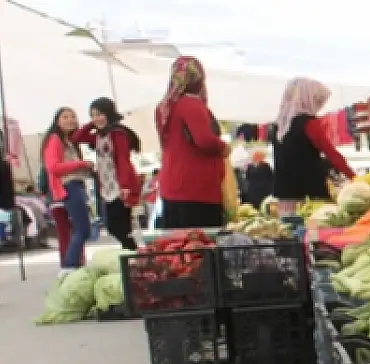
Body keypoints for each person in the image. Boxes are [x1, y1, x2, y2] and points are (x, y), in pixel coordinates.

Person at [155, 56, 229, 228]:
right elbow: (204, 140)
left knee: (178, 248)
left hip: (172, 185)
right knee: (199, 248)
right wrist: (223, 146)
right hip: (195, 189)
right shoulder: (191, 104)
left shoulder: (166, 106)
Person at [271, 77, 355, 216]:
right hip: (310, 195)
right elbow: (332, 154)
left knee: (288, 232)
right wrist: (354, 177)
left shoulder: (277, 126)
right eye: (317, 101)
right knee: (313, 233)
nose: (319, 106)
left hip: (285, 194)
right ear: (307, 99)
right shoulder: (308, 124)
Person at [73, 97, 142, 250]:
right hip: (107, 188)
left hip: (120, 186)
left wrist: (124, 185)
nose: (96, 118)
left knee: (120, 227)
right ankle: (132, 254)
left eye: (100, 114)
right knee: (114, 226)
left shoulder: (118, 133)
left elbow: (123, 159)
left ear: (109, 113)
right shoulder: (99, 135)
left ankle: (133, 253)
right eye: (92, 115)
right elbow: (77, 137)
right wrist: (93, 123)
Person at [41, 107, 93, 271]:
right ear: (57, 121)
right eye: (65, 117)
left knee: (81, 230)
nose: (70, 120)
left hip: (75, 185)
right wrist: (82, 163)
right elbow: (53, 167)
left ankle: (73, 265)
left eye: (73, 117)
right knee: (82, 230)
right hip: (69, 186)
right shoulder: (55, 139)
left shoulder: (69, 142)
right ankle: (69, 266)